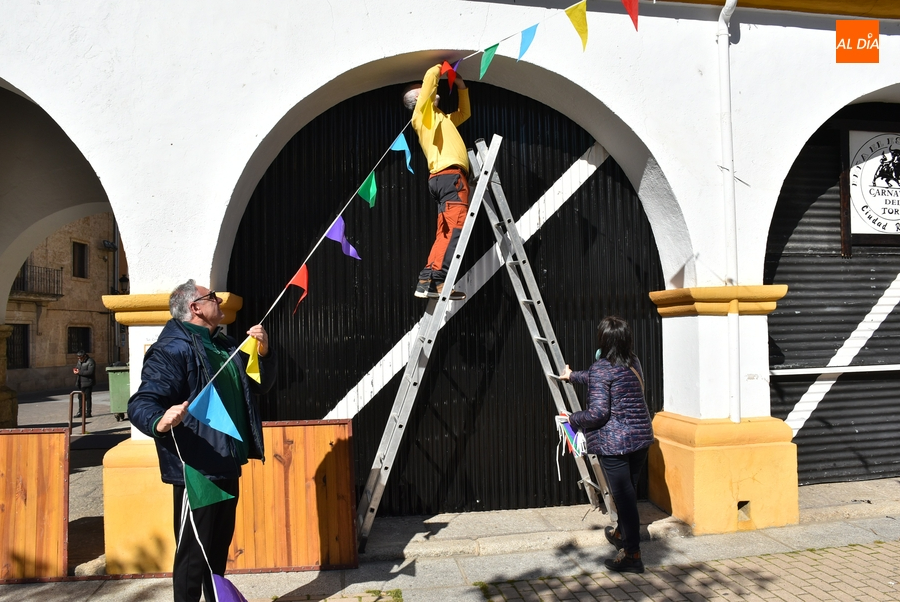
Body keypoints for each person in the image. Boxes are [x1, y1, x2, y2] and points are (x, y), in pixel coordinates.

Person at [128, 280, 276, 602]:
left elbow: (259, 387)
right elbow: (141, 403)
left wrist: (262, 353)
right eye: (212, 297)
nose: (220, 300)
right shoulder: (172, 349)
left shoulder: (224, 345)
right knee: (194, 561)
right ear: (195, 307)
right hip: (197, 470)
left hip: (227, 463)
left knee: (216, 559)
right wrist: (159, 420)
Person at [560, 316, 653, 574]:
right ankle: (623, 534)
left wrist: (574, 419)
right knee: (629, 492)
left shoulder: (603, 368)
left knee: (624, 499)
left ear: (603, 340)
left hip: (615, 444)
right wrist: (573, 376)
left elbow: (598, 413)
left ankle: (632, 554)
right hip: (640, 438)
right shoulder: (633, 361)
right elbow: (597, 378)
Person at [404, 63, 471, 300]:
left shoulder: (440, 118)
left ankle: (426, 281)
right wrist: (443, 65)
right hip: (450, 177)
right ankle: (440, 280)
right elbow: (430, 77)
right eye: (421, 90)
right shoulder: (422, 114)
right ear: (420, 98)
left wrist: (461, 86)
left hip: (445, 178)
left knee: (444, 233)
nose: (428, 90)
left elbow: (464, 114)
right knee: (454, 229)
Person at [73, 350, 95, 418]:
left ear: (84, 356)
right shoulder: (79, 361)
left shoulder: (90, 361)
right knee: (80, 397)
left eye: (80, 357)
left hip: (88, 382)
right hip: (80, 382)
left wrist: (79, 372)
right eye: (78, 357)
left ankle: (88, 412)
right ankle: (80, 411)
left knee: (87, 398)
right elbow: (77, 367)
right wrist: (76, 370)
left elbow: (90, 372)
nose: (79, 359)